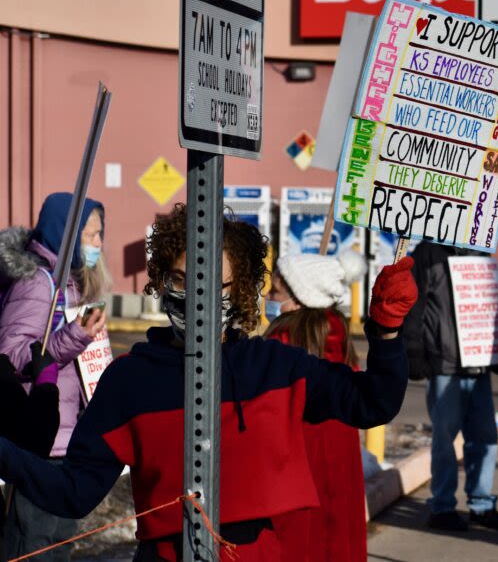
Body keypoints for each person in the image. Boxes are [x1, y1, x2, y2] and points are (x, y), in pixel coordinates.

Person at [0, 204, 416, 561]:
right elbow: (74, 491)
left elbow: (373, 402)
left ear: (240, 294)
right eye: (181, 279)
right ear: (162, 280)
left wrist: (387, 330)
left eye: (212, 281)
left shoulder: (275, 366)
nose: (195, 294)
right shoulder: (129, 380)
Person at [0, 192, 111, 561]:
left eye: (100, 234)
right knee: (32, 545)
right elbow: (10, 355)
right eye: (91, 235)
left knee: (57, 544)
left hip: (66, 443)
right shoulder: (37, 283)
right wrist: (75, 337)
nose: (99, 244)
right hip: (38, 444)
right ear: (67, 235)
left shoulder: (71, 284)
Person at [264, 250, 368, 562]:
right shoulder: (336, 335)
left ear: (299, 299)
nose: (268, 296)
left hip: (294, 473)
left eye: (276, 291)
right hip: (338, 470)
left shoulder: (284, 343)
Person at [403, 242, 498, 532]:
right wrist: (414, 352)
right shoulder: (427, 255)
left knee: (485, 436)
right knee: (444, 436)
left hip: (478, 362)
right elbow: (413, 308)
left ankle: (481, 504)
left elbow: (493, 303)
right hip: (444, 363)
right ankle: (442, 506)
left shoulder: (481, 254)